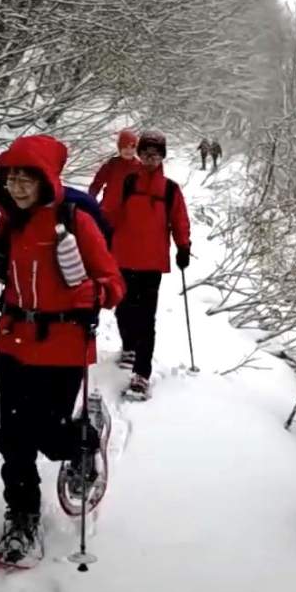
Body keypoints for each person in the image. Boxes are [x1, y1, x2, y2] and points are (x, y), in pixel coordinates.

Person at [0, 134, 126, 567]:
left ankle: (85, 443)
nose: (16, 185)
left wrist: (92, 292)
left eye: (26, 177)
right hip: (14, 343)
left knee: (51, 438)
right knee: (14, 438)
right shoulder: (10, 223)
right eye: (10, 176)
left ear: (46, 180)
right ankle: (23, 516)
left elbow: (114, 285)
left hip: (64, 347)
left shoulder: (75, 221)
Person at [103, 130, 191, 399]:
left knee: (145, 317)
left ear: (162, 156)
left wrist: (183, 246)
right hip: (122, 258)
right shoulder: (128, 182)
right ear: (139, 155)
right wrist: (102, 241)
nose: (151, 158)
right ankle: (129, 346)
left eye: (156, 154)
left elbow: (179, 220)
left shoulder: (170, 189)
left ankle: (141, 373)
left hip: (151, 263)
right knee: (122, 308)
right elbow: (109, 212)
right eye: (146, 153)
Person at [88, 129, 141, 227]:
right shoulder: (112, 164)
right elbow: (97, 182)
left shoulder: (139, 167)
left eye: (132, 147)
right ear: (119, 148)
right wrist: (91, 198)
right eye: (125, 147)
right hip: (108, 209)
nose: (129, 151)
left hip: (129, 212)